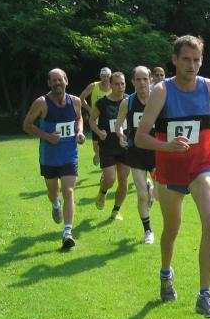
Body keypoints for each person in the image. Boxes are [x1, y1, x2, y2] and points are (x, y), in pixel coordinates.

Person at [136, 35, 210, 317]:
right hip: (170, 169)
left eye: (196, 59)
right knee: (172, 230)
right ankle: (166, 273)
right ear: (174, 60)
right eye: (186, 59)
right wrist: (168, 146)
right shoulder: (161, 91)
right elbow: (140, 137)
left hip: (201, 165)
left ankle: (205, 294)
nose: (192, 65)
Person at [22, 68, 86, 249]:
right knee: (53, 193)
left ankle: (67, 232)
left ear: (66, 81)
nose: (58, 83)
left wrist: (80, 132)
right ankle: (56, 204)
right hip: (49, 157)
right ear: (49, 83)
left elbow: (79, 118)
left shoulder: (75, 101)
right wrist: (47, 136)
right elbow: (26, 125)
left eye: (60, 79)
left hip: (69, 155)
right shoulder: (41, 103)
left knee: (69, 191)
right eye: (54, 80)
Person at [116, 66, 157, 244]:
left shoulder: (158, 100)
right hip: (136, 152)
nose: (142, 83)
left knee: (160, 193)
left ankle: (151, 190)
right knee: (141, 195)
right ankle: (148, 231)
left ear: (151, 80)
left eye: (145, 79)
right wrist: (121, 136)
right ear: (132, 82)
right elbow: (118, 125)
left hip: (157, 151)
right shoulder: (127, 103)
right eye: (138, 80)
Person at [90, 71, 130, 221]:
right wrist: (99, 132)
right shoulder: (102, 103)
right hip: (107, 146)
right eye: (117, 84)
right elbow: (92, 121)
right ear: (111, 85)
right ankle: (103, 191)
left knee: (124, 180)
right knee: (110, 179)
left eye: (122, 84)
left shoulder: (130, 100)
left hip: (125, 146)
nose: (120, 87)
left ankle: (115, 210)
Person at [80, 67, 112, 166]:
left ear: (110, 77)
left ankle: (106, 165)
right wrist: (89, 109)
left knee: (109, 142)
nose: (105, 78)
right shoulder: (93, 86)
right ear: (100, 76)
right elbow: (81, 98)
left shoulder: (113, 87)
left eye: (107, 76)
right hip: (95, 119)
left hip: (109, 119)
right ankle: (97, 154)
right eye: (103, 76)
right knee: (96, 145)